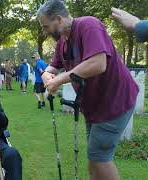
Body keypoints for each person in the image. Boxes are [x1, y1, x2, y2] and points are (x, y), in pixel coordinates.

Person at [37, 1, 138, 180]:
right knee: (94, 156)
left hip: (114, 101)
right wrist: (46, 74)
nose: (45, 32)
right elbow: (53, 66)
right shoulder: (62, 42)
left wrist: (59, 79)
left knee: (100, 156)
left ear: (59, 19)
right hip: (93, 107)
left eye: (46, 26)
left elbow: (98, 63)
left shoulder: (89, 25)